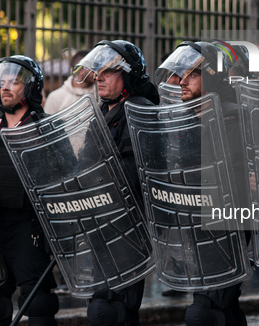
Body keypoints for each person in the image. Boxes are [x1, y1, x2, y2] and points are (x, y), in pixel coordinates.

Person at [154, 40, 251, 326]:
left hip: (224, 229)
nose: (182, 81)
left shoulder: (232, 117)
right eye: (182, 74)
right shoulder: (183, 118)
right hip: (193, 226)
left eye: (193, 74)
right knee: (223, 308)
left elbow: (234, 181)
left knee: (204, 311)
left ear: (211, 76)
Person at [72, 40, 159, 326]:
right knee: (101, 307)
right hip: (98, 222)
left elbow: (132, 173)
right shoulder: (101, 112)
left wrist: (93, 176)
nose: (100, 77)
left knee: (111, 309)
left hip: (126, 228)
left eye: (109, 71)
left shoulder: (139, 110)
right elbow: (83, 162)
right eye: (99, 71)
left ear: (129, 76)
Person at [0, 55, 59, 326]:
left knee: (39, 303)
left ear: (31, 88)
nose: (5, 87)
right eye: (2, 82)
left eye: (15, 81)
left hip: (30, 226)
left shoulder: (47, 129)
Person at [44, 49, 94, 114]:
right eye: (92, 66)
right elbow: (47, 123)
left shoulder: (100, 94)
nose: (96, 71)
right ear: (79, 68)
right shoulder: (55, 97)